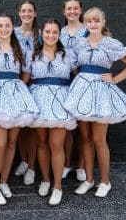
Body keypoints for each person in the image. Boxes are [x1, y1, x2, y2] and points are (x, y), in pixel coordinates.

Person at [64, 7, 126, 197]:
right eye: (89, 21)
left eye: (96, 21)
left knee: (99, 139)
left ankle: (105, 182)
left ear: (103, 23)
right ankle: (89, 180)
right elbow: (73, 65)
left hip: (101, 94)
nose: (93, 24)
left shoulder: (110, 44)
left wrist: (115, 79)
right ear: (86, 23)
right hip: (81, 92)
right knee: (85, 139)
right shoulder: (80, 43)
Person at [0, 13, 39, 205]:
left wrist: (18, 86)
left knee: (12, 142)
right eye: (0, 26)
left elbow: (27, 71)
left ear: (11, 28)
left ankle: (4, 181)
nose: (4, 29)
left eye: (7, 26)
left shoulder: (20, 47)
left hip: (16, 94)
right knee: (0, 144)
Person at [22, 18, 77, 205]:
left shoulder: (67, 54)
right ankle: (45, 179)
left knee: (56, 145)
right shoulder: (32, 55)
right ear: (41, 34)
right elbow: (26, 79)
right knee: (42, 143)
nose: (51, 35)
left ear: (59, 35)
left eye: (55, 32)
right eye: (47, 32)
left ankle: (57, 186)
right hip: (38, 100)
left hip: (60, 101)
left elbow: (79, 77)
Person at [59, 0, 87, 181]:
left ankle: (82, 166)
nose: (72, 12)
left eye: (75, 8)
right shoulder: (60, 32)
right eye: (69, 9)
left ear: (80, 10)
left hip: (84, 80)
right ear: (64, 11)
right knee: (67, 127)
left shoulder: (88, 30)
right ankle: (67, 163)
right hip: (64, 82)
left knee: (84, 127)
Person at [14, 0, 39, 185]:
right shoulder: (12, 32)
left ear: (35, 13)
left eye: (30, 11)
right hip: (16, 81)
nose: (27, 14)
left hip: (36, 81)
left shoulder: (40, 33)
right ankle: (23, 159)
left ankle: (32, 166)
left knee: (33, 128)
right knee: (19, 126)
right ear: (19, 13)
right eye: (23, 11)